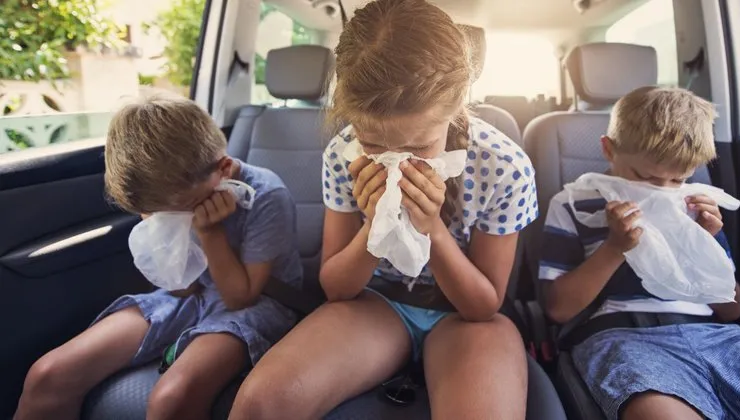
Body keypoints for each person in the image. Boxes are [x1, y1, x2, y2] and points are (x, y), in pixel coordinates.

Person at [228, 0, 538, 419]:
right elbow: (336, 288)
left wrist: (433, 229)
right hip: (377, 303)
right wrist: (375, 225)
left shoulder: (505, 166)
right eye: (374, 145)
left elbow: (483, 306)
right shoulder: (343, 154)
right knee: (258, 406)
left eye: (419, 147)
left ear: (457, 103)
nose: (397, 162)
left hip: (464, 318)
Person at [14, 96, 303, 420]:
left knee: (171, 398)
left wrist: (210, 234)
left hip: (258, 304)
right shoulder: (164, 200)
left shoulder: (266, 196)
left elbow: (240, 298)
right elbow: (182, 287)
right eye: (154, 214)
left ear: (222, 170)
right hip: (193, 296)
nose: (167, 218)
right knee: (47, 374)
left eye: (180, 210)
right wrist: (162, 232)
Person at [540, 86, 740, 420]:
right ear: (608, 150)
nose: (662, 191)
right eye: (645, 177)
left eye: (677, 179)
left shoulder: (693, 207)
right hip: (622, 337)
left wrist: (705, 242)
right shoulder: (573, 203)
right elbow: (558, 310)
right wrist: (615, 247)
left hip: (716, 337)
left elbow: (731, 309)